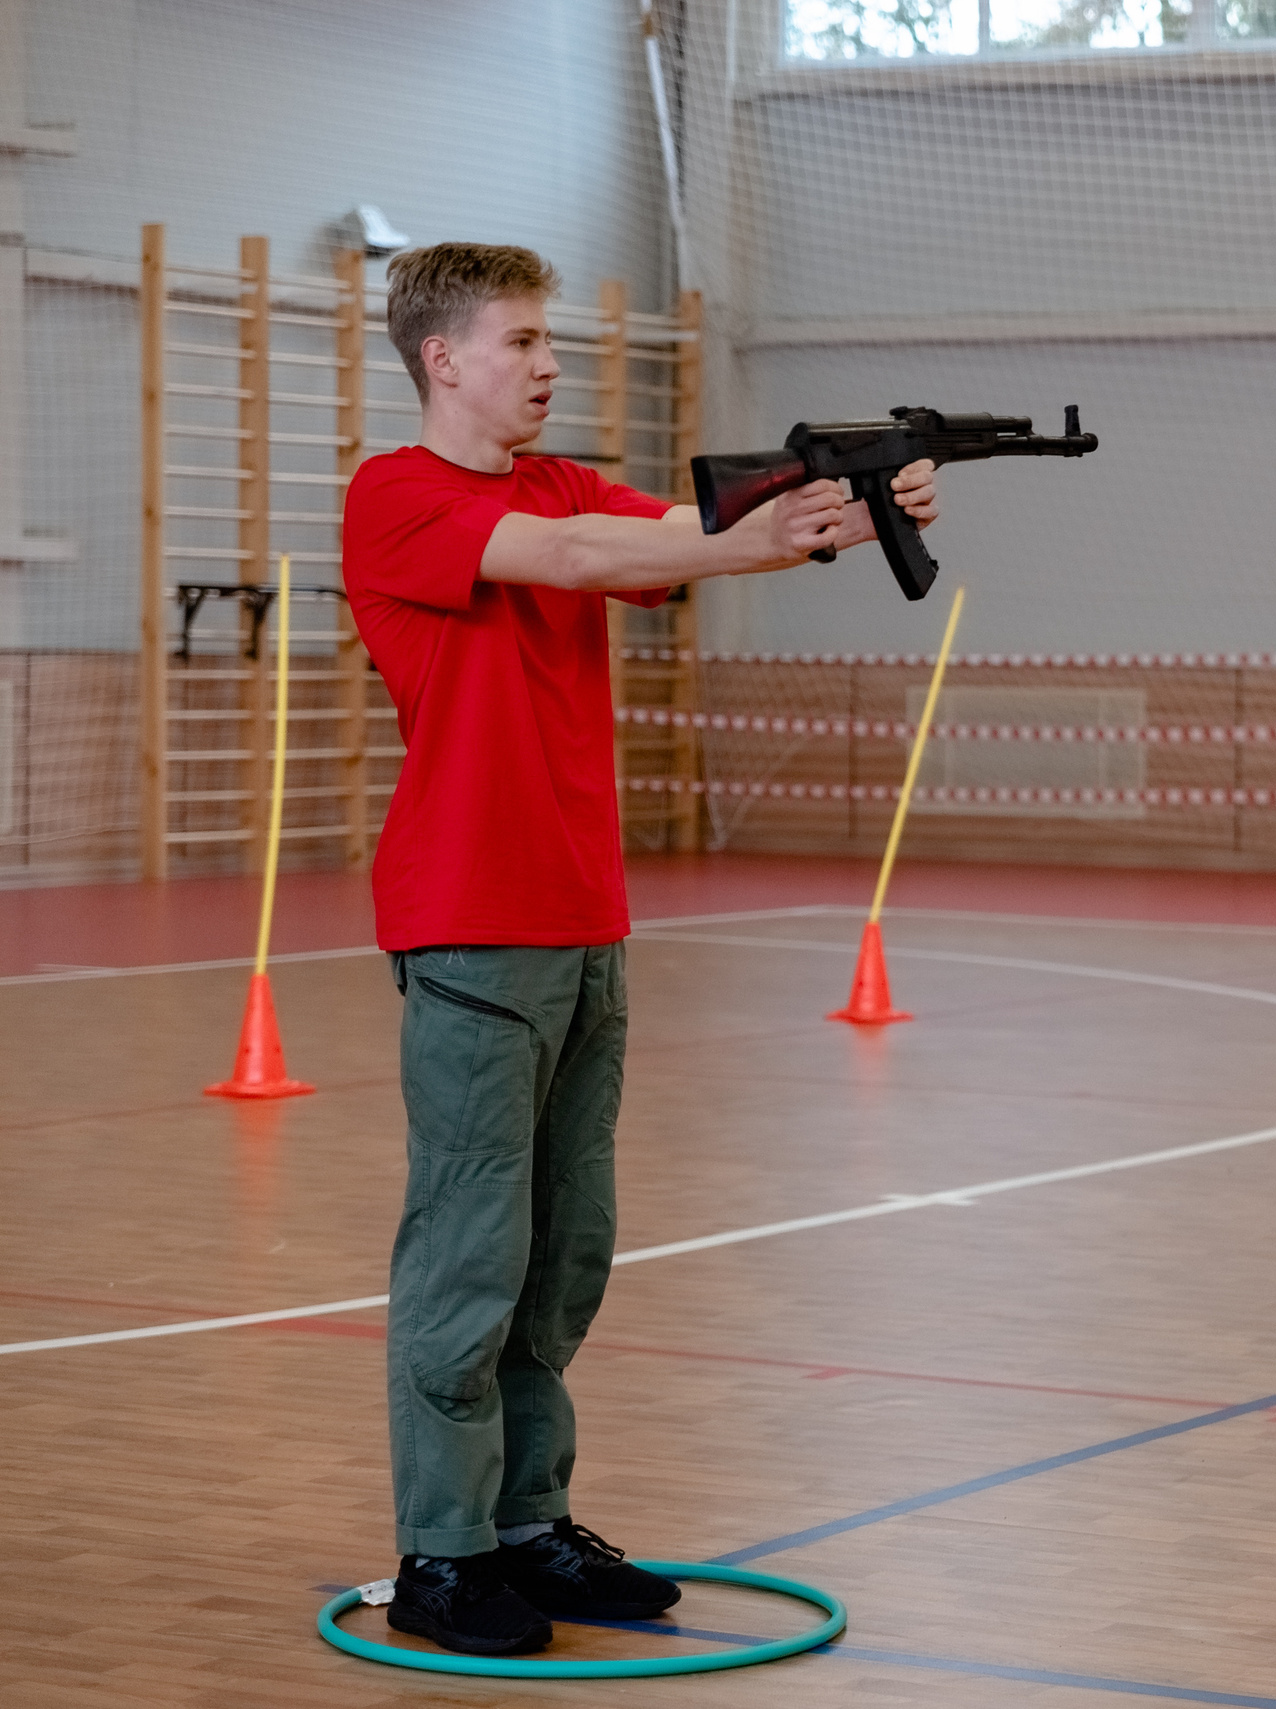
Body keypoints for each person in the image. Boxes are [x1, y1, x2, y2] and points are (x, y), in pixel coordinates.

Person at [342, 243, 938, 1656]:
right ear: (443, 358)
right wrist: (795, 512)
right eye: (524, 341)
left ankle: (525, 1521)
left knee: (563, 1254)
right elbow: (587, 557)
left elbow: (675, 530)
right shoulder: (399, 496)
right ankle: (440, 1551)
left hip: (583, 921)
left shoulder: (559, 480)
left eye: (550, 342)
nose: (549, 364)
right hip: (472, 924)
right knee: (470, 1252)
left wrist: (848, 512)